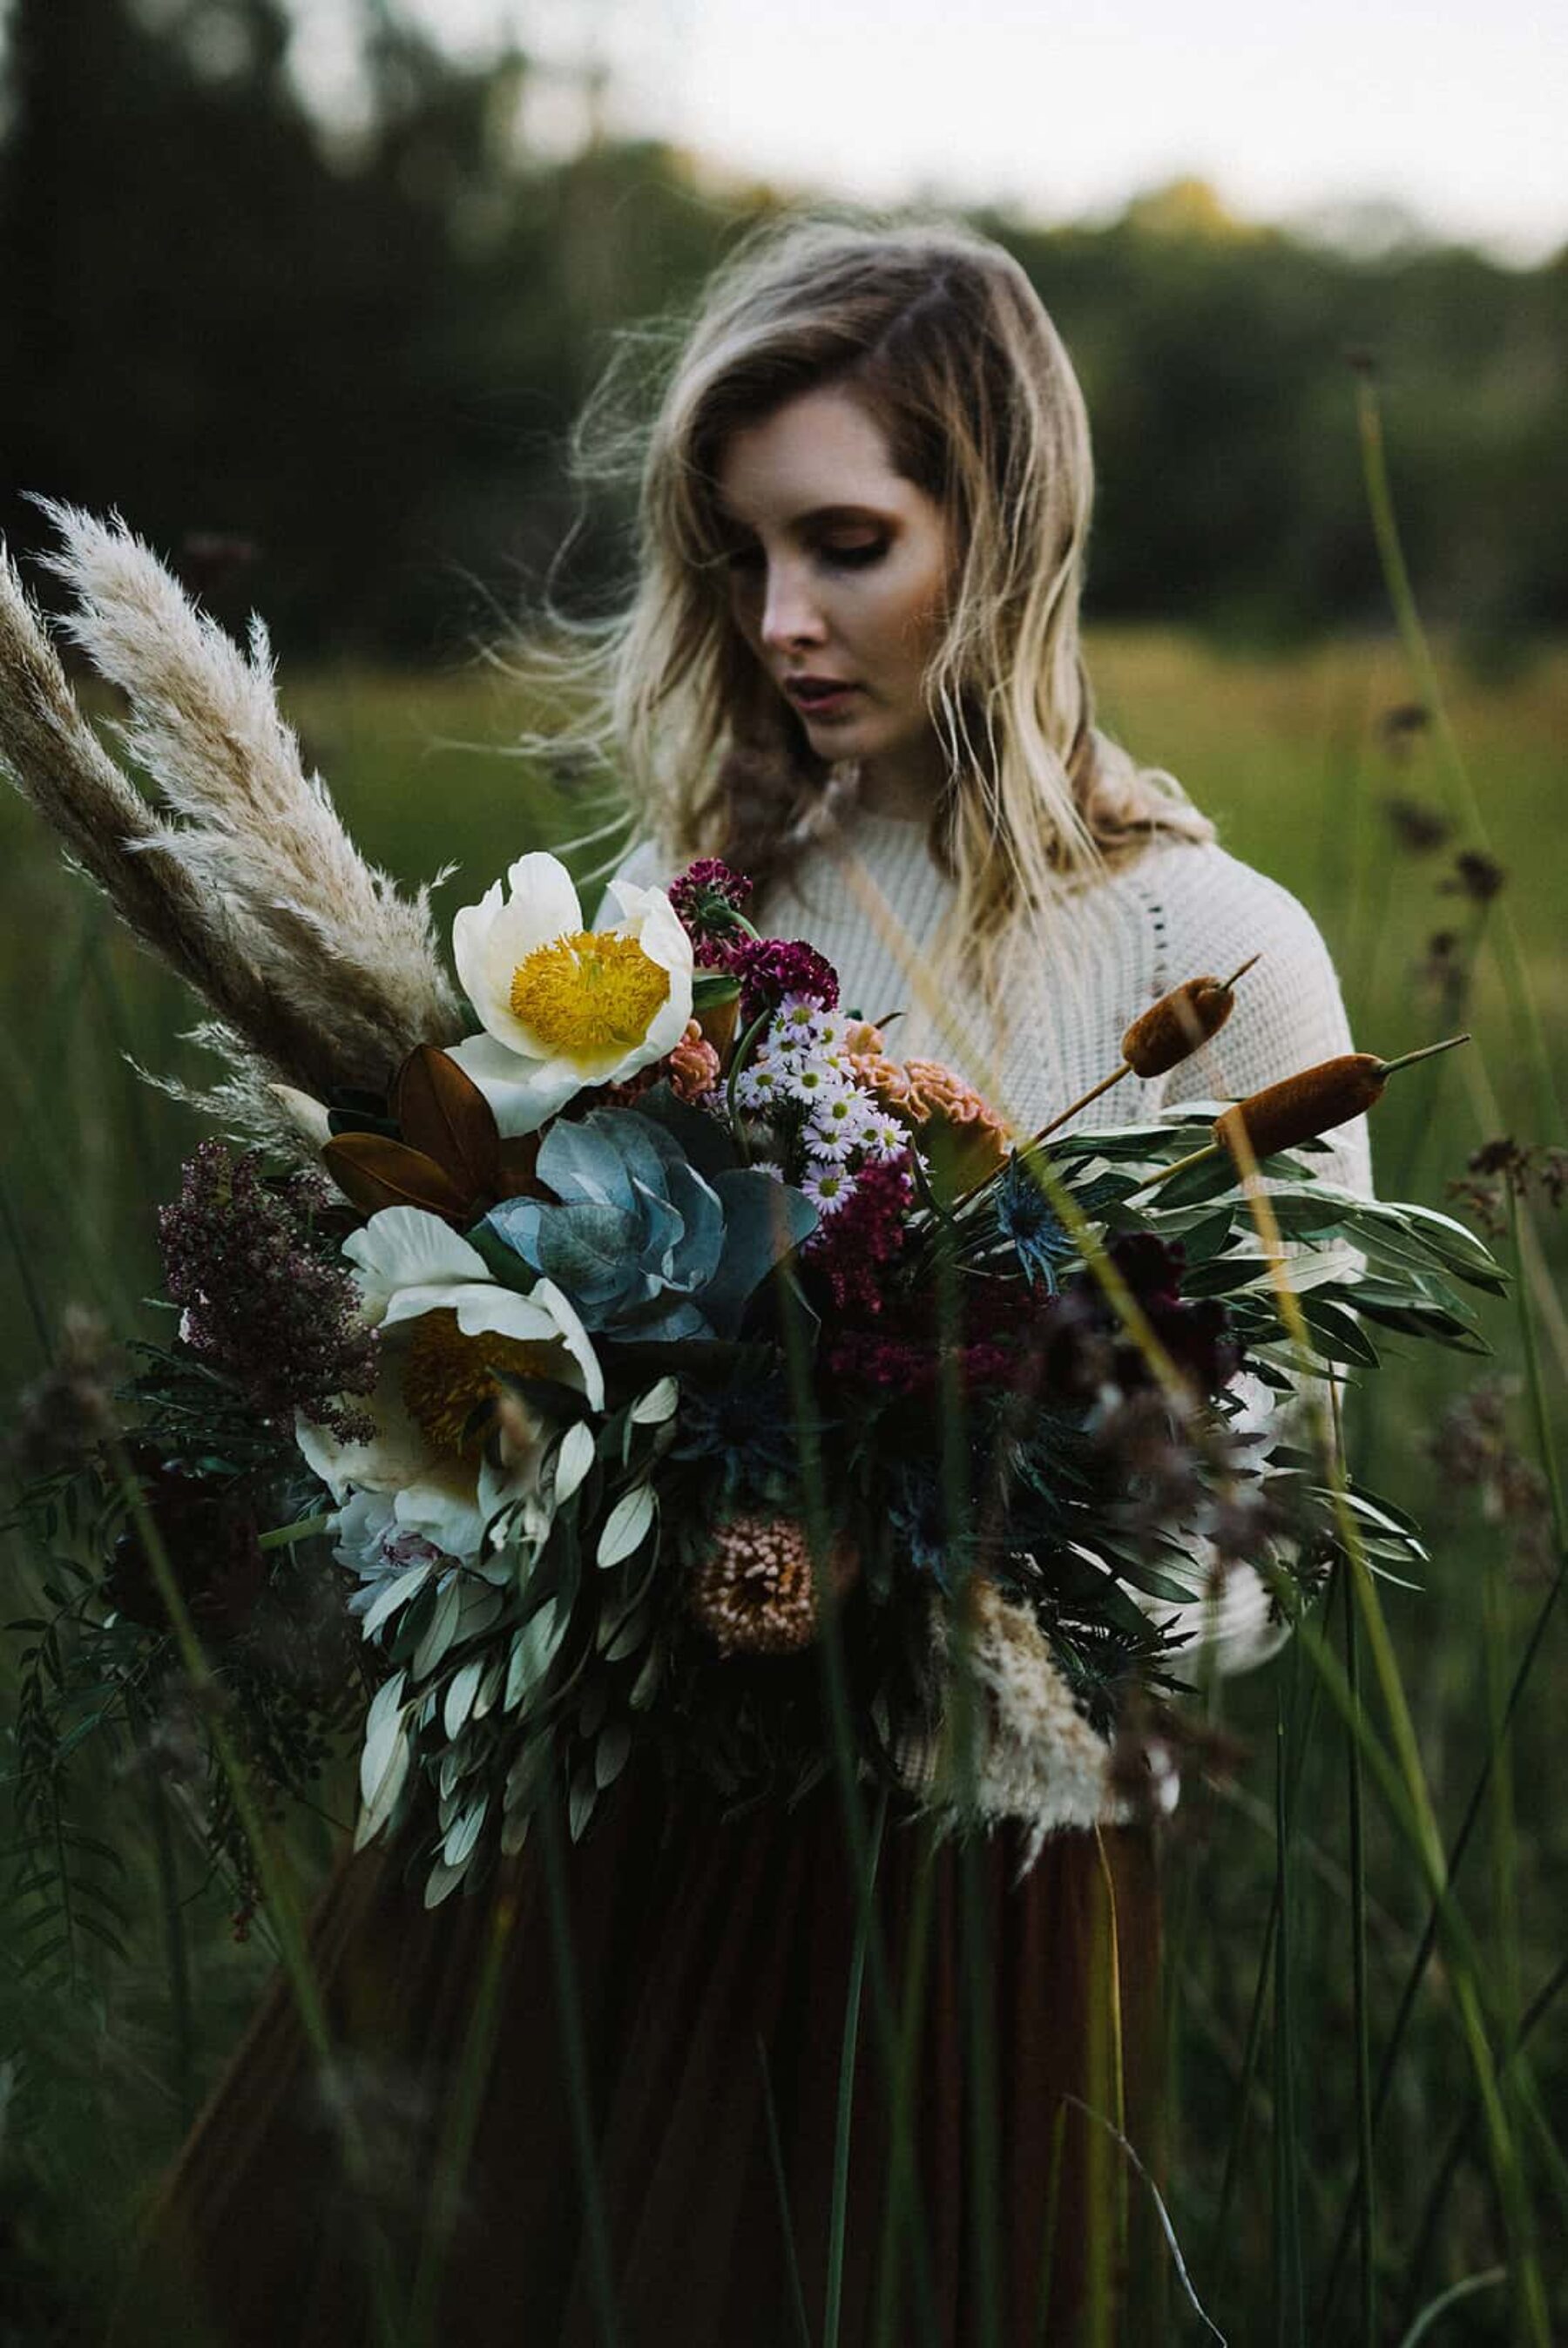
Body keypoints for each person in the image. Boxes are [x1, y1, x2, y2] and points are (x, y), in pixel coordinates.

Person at [112, 213, 1372, 2347]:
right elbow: (541, 1332)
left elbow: (1270, 1514)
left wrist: (963, 1570)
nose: (780, 619)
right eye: (737, 555)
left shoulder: (1218, 953)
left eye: (845, 543)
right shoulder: (675, 920)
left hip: (989, 1877)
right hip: (633, 1819)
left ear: (1014, 527)